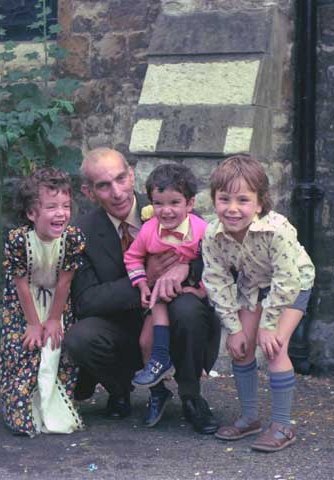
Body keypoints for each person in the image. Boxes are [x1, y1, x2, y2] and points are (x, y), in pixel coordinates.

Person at [64, 147, 220, 433]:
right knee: (80, 337)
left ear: (132, 175)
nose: (117, 192)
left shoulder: (168, 205)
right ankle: (119, 388)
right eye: (104, 185)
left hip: (173, 318)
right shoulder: (80, 233)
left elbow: (213, 252)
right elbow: (85, 301)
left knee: (187, 309)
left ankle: (191, 397)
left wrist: (187, 269)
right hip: (123, 327)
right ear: (89, 193)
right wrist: (145, 279)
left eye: (121, 179)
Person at [201, 154, 315, 452]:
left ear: (260, 204)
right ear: (214, 200)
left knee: (275, 346)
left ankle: (281, 425)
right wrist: (234, 327)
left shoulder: (278, 230)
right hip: (253, 288)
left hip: (292, 286)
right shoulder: (212, 235)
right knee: (240, 350)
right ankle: (250, 417)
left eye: (243, 200)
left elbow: (287, 280)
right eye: (224, 199)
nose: (233, 208)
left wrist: (268, 325)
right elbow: (216, 280)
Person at [0, 167, 86, 436]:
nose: (60, 213)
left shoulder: (72, 238)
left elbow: (64, 282)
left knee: (58, 347)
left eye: (65, 206)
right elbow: (21, 284)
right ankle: (23, 410)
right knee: (25, 347)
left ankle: (55, 407)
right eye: (51, 207)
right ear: (31, 213)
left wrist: (53, 320)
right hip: (23, 304)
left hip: (57, 302)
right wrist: (34, 323)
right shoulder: (18, 240)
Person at [123, 163, 209, 388]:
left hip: (187, 292)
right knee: (144, 341)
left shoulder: (202, 231)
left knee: (185, 322)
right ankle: (157, 388)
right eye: (158, 204)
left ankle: (186, 382)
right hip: (159, 293)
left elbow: (214, 262)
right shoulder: (149, 230)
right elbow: (132, 258)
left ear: (190, 203)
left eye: (174, 203)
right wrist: (142, 285)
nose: (166, 210)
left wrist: (200, 290)